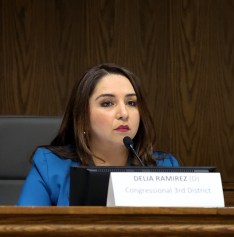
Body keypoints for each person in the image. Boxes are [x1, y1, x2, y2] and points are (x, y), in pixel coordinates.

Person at [17, 63, 179, 206]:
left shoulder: (164, 167)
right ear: (83, 115)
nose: (124, 113)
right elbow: (25, 231)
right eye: (107, 103)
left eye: (131, 103)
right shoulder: (50, 165)